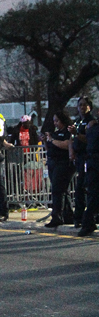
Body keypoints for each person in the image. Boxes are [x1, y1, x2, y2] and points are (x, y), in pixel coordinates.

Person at [41, 110, 75, 229]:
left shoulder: (67, 132)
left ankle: (57, 216)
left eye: (57, 121)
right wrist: (46, 141)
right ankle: (68, 215)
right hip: (52, 162)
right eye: (54, 121)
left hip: (63, 163)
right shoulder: (55, 133)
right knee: (62, 190)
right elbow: (49, 148)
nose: (55, 123)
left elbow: (66, 144)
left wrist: (51, 140)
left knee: (57, 189)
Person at [69, 96, 95, 228]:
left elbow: (89, 139)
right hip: (78, 158)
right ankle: (78, 216)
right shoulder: (78, 121)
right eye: (80, 105)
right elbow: (71, 139)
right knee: (79, 188)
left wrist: (77, 134)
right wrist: (71, 151)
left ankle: (88, 216)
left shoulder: (91, 122)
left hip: (88, 157)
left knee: (85, 188)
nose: (82, 107)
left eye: (85, 105)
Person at [78, 106, 99, 237]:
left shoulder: (92, 128)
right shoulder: (93, 129)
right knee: (93, 195)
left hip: (92, 163)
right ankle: (88, 223)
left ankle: (88, 222)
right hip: (94, 162)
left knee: (92, 195)